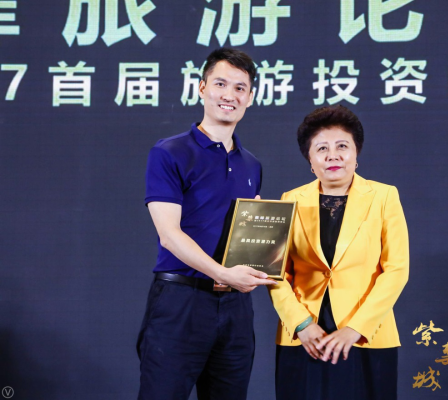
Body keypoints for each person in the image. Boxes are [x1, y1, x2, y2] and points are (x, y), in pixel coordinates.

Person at [137, 48, 276, 400]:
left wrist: (260, 244)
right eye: (220, 84)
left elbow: (246, 237)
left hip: (235, 309)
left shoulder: (251, 164)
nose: (230, 95)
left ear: (250, 98)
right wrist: (223, 273)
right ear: (202, 88)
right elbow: (169, 236)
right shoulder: (170, 152)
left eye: (240, 88)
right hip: (180, 302)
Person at [268, 105, 409, 400]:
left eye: (342, 146)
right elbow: (276, 274)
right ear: (310, 160)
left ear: (356, 155)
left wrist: (355, 328)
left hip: (365, 336)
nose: (333, 155)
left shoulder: (385, 196)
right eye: (322, 148)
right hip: (306, 337)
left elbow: (396, 269)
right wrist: (302, 324)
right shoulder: (289, 200)